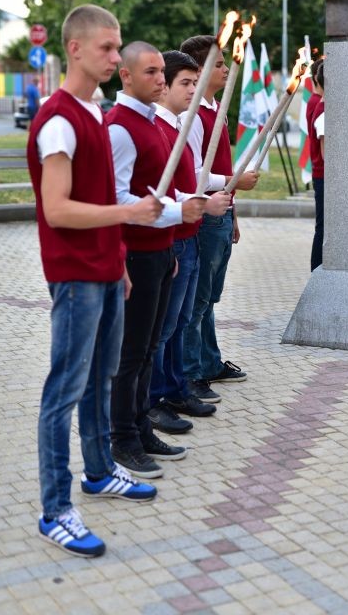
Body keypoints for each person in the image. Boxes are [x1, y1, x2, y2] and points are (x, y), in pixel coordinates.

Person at [27, 5, 161, 559]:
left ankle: (101, 471)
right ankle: (55, 510)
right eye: (106, 48)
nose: (114, 56)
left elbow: (101, 192)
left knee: (100, 380)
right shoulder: (59, 119)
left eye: (117, 45)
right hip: (75, 276)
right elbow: (57, 209)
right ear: (74, 49)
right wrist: (128, 217)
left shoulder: (93, 110)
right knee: (64, 389)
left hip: (105, 271)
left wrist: (119, 260)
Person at [107, 41, 206, 479]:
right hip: (136, 255)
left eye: (161, 73)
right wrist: (175, 212)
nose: (159, 80)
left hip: (160, 252)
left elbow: (157, 190)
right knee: (130, 353)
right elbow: (117, 198)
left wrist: (182, 213)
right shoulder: (119, 127)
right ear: (126, 76)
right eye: (150, 72)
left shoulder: (150, 123)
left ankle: (141, 426)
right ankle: (122, 439)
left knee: (148, 349)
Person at [148, 51, 231, 434]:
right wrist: (199, 202)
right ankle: (154, 400)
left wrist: (201, 202)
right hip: (173, 239)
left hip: (187, 235)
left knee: (180, 322)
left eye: (195, 83)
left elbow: (184, 184)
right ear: (164, 86)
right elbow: (158, 194)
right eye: (186, 83)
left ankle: (175, 388)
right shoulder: (160, 129)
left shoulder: (178, 126)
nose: (193, 90)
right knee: (164, 329)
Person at [180, 35, 259, 403]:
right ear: (199, 71)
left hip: (221, 214)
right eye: (220, 64)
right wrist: (234, 181)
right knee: (197, 300)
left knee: (209, 297)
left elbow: (220, 164)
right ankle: (191, 373)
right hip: (204, 215)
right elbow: (196, 173)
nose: (227, 69)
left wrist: (233, 212)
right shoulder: (192, 115)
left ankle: (209, 362)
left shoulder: (217, 110)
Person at [308, 61, 325, 270]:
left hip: (323, 174)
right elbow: (326, 154)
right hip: (323, 175)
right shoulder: (321, 107)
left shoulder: (321, 104)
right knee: (323, 228)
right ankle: (317, 270)